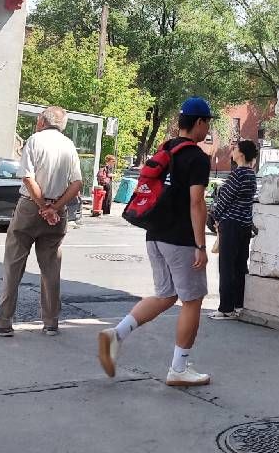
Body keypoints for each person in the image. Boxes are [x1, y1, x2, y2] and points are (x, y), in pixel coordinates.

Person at [98, 97, 213, 387]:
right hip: (182, 240)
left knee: (166, 295)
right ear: (199, 122)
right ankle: (179, 368)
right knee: (192, 301)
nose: (207, 129)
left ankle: (116, 335)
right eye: (207, 123)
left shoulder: (167, 149)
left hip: (155, 234)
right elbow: (196, 202)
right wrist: (201, 245)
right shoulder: (197, 157)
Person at [0, 106, 83, 338]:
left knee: (13, 265)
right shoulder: (69, 145)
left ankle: (4, 322)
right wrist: (54, 208)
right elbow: (77, 184)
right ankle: (51, 323)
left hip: (30, 208)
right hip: (57, 212)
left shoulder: (35, 140)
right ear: (63, 125)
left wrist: (42, 207)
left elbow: (27, 177)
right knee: (51, 268)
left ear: (41, 121)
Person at [209, 140, 258, 320]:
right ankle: (238, 305)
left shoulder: (237, 174)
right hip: (245, 225)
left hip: (230, 224)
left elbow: (224, 200)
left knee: (226, 267)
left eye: (236, 148)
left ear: (242, 154)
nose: (233, 150)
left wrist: (214, 217)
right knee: (239, 266)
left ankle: (225, 308)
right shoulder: (251, 175)